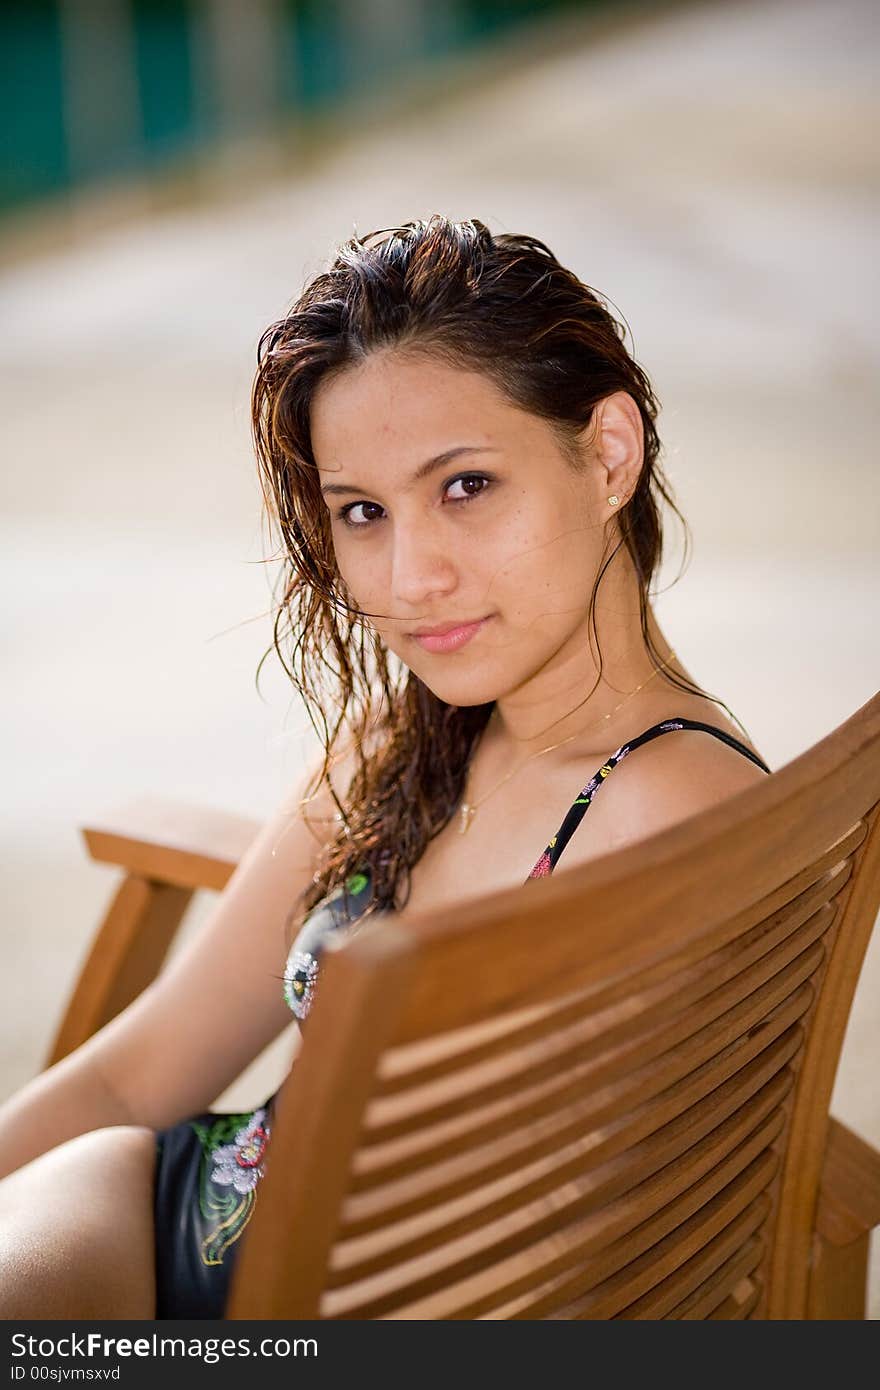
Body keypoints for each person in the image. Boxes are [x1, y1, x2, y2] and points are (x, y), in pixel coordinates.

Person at [0, 216, 771, 1318]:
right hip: (143, 1211)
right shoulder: (397, 748)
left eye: (463, 486)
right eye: (363, 511)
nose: (409, 577)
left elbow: (575, 1258)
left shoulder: (669, 810)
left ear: (607, 453)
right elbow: (138, 1073)